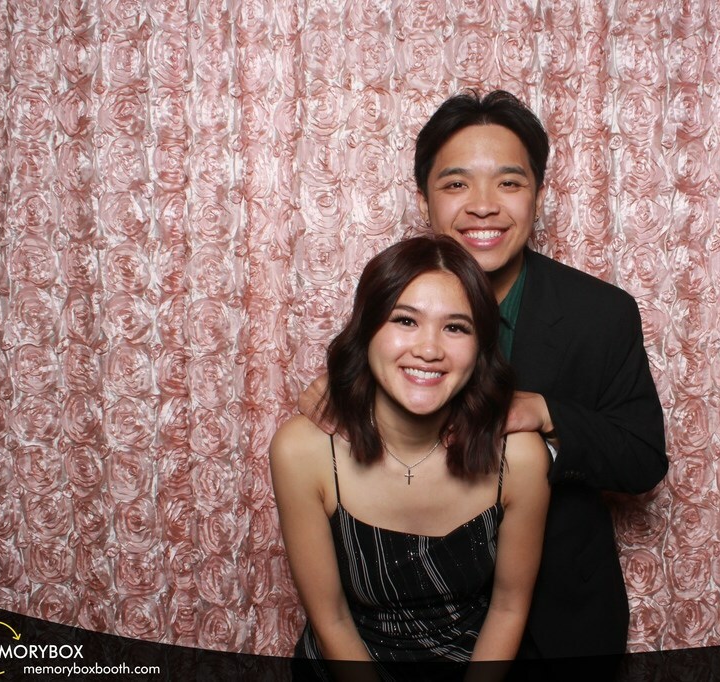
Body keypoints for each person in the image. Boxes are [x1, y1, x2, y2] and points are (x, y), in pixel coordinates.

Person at [302, 90, 668, 669]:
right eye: (456, 184)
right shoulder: (392, 295)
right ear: (423, 199)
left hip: (555, 626)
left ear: (539, 197)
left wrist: (546, 414)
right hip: (405, 628)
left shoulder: (601, 313)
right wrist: (339, 391)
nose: (483, 206)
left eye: (509, 183)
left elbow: (643, 459)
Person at [271, 236, 551, 680]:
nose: (428, 349)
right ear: (366, 331)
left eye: (455, 328)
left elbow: (509, 608)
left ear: (480, 347)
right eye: (405, 320)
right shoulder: (303, 451)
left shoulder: (520, 457)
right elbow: (332, 620)